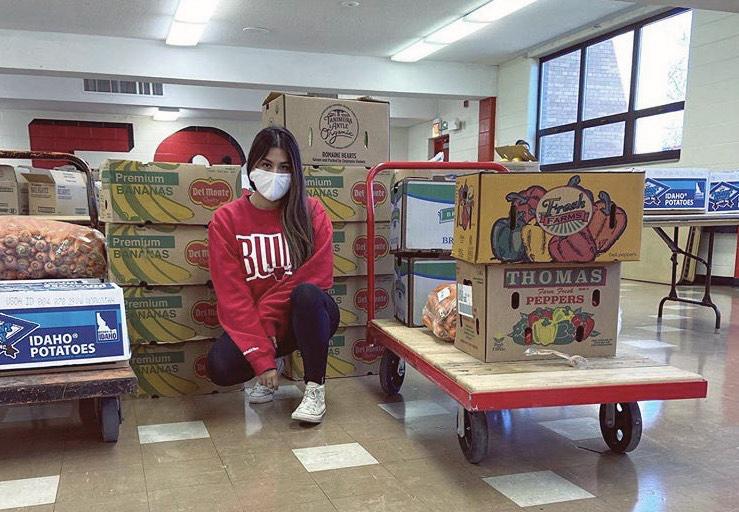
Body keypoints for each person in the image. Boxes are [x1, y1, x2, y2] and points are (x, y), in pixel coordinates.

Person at [206, 127, 338, 423]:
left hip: (307, 315)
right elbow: (233, 296)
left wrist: (266, 328)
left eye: (284, 167)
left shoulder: (311, 212)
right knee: (220, 367)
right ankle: (274, 361)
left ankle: (315, 388)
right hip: (257, 321)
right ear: (252, 166)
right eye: (267, 165)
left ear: (296, 172)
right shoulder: (226, 221)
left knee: (306, 294)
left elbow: (318, 276)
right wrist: (261, 357)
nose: (275, 175)